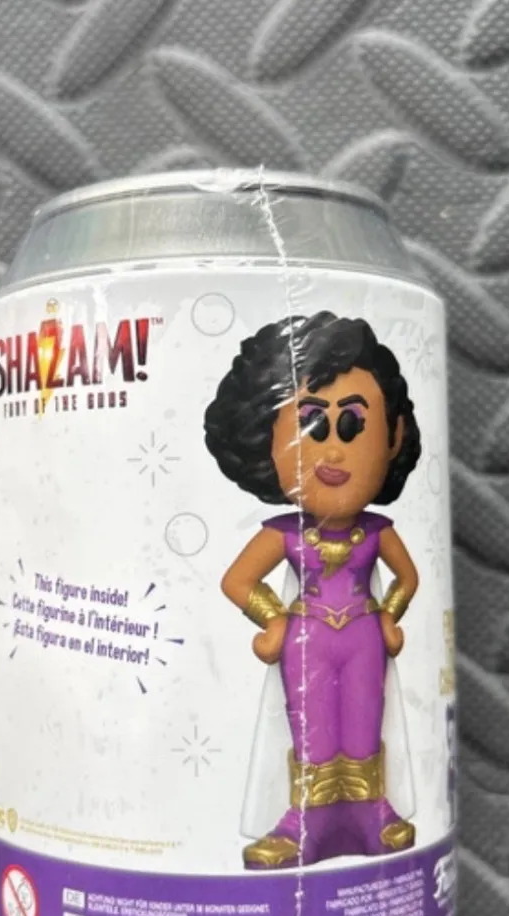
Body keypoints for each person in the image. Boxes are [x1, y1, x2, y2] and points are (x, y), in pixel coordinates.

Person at [204, 312, 422, 869]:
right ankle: (305, 821)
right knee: (313, 729)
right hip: (308, 637)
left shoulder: (378, 531)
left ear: (393, 436)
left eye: (353, 424)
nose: (333, 452)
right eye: (311, 425)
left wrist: (391, 614)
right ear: (265, 440)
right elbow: (237, 580)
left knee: (364, 722)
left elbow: (408, 577)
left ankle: (371, 813)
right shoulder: (284, 534)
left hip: (364, 633)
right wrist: (273, 618)